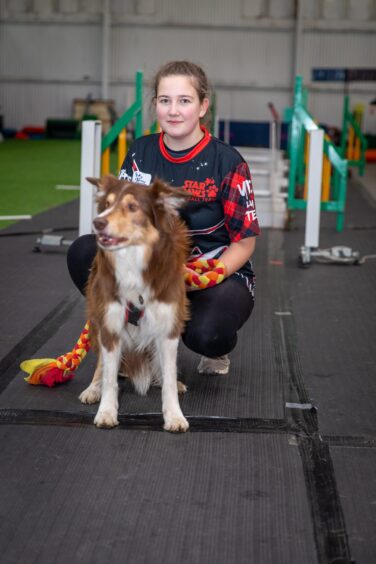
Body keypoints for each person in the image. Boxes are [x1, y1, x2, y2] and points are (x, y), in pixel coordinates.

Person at [67, 60, 260, 375]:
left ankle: (215, 350)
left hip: (211, 274)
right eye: (164, 100)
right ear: (155, 104)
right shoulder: (139, 152)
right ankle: (137, 346)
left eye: (184, 101)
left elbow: (245, 244)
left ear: (202, 107)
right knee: (84, 251)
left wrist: (204, 275)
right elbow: (121, 225)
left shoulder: (228, 162)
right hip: (149, 271)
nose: (173, 110)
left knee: (208, 335)